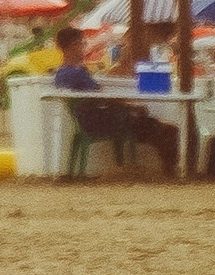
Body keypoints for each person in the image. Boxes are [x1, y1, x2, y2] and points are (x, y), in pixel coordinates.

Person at [51, 23, 179, 176]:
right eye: (82, 44)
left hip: (92, 119)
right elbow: (101, 98)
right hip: (104, 120)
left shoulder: (62, 74)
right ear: (73, 46)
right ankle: (170, 170)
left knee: (156, 127)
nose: (84, 47)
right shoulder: (76, 73)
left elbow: (97, 98)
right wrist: (130, 108)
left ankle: (168, 168)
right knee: (167, 130)